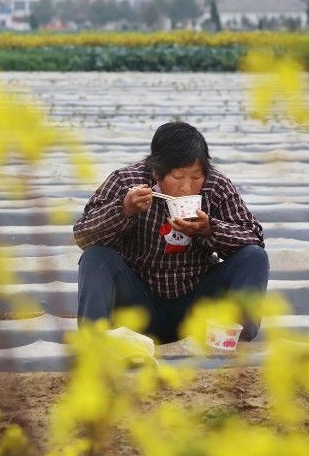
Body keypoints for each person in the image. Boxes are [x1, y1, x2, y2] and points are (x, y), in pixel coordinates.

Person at [74, 120, 269, 343]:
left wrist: (210, 229)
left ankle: (234, 340)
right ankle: (94, 342)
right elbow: (82, 233)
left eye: (196, 177)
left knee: (254, 256)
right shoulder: (127, 181)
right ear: (156, 172)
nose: (187, 186)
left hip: (198, 306)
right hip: (140, 305)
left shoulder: (216, 186)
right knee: (96, 256)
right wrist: (124, 209)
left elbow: (253, 236)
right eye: (178, 177)